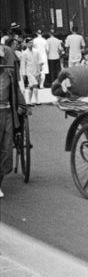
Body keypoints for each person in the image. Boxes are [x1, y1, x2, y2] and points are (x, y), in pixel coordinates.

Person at [0, 63, 28, 198]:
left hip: (6, 113)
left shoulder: (9, 75)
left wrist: (21, 105)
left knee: (5, 147)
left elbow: (16, 92)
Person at [22, 38, 43, 106]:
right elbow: (23, 64)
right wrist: (24, 73)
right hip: (29, 71)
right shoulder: (24, 53)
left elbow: (40, 60)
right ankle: (37, 100)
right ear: (27, 44)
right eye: (30, 43)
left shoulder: (36, 51)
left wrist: (40, 67)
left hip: (36, 70)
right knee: (35, 84)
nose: (31, 44)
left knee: (31, 86)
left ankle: (29, 101)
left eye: (32, 42)